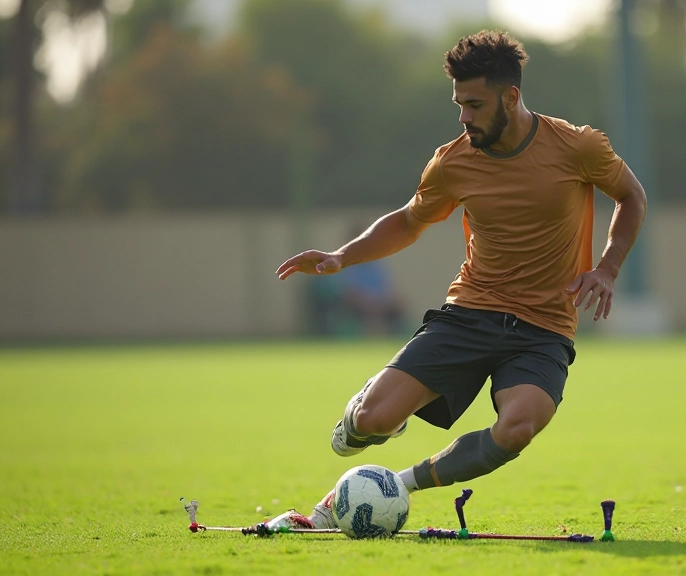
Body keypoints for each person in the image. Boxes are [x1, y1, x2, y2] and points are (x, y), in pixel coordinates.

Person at [275, 30, 647, 529]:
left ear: (510, 97)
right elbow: (409, 221)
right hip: (470, 313)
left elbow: (631, 196)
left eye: (474, 104)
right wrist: (343, 257)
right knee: (372, 423)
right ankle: (365, 413)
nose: (464, 117)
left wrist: (607, 267)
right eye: (458, 104)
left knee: (517, 427)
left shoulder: (577, 146)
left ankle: (398, 485)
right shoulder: (453, 161)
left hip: (543, 330)